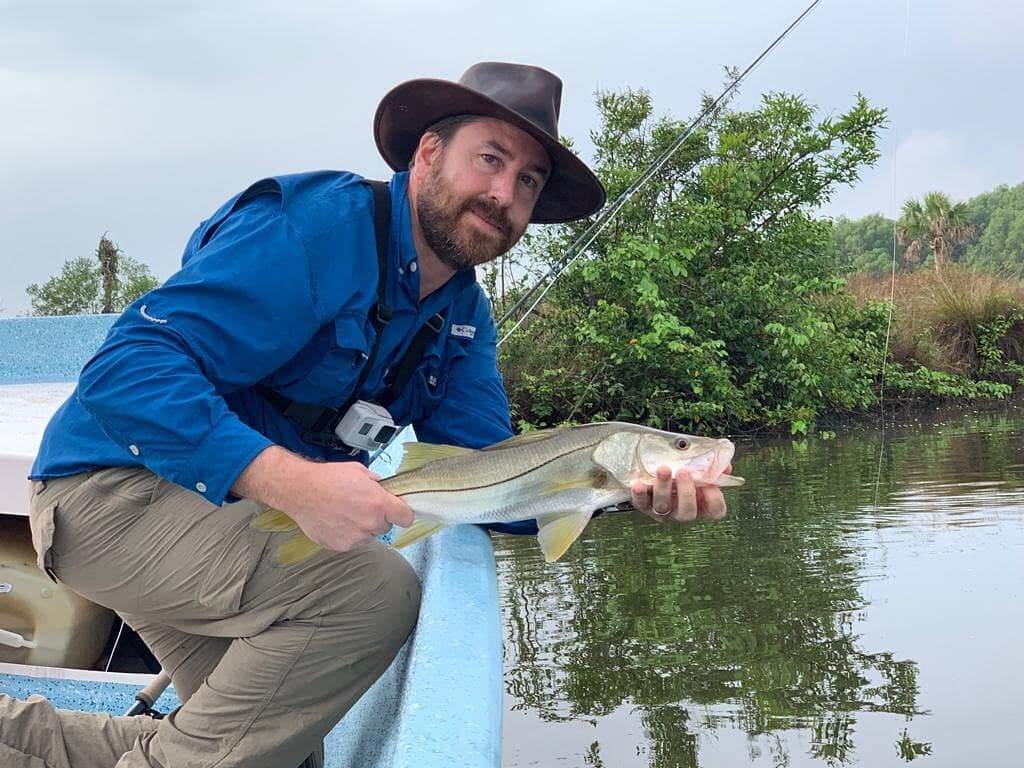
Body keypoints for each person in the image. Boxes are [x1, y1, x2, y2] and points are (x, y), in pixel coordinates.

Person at [1, 62, 729, 768]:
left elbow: (495, 477)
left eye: (528, 181)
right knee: (373, 594)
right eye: (490, 159)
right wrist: (289, 482)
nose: (504, 191)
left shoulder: (463, 315)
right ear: (428, 154)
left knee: (271, 754)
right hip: (109, 492)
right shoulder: (315, 229)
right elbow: (125, 370)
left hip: (228, 521)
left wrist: (615, 491)